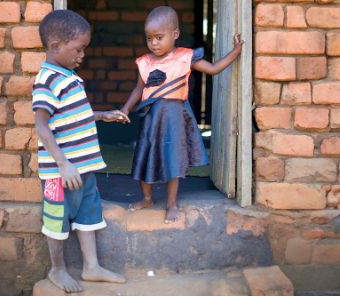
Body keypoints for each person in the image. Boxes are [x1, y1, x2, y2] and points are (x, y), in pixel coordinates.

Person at [32, 9, 128, 293]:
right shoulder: (47, 79)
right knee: (56, 220)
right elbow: (42, 126)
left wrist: (102, 115)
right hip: (59, 174)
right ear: (55, 47)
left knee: (88, 215)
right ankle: (57, 269)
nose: (82, 55)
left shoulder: (70, 77)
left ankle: (92, 267)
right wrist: (63, 164)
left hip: (83, 169)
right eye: (78, 49)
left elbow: (73, 117)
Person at [120, 6, 244, 224]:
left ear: (175, 34)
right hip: (151, 119)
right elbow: (139, 89)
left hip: (175, 118)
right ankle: (147, 198)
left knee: (173, 160)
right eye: (149, 38)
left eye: (159, 37)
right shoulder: (145, 62)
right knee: (144, 156)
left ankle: (172, 204)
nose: (154, 43)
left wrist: (235, 52)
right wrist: (125, 109)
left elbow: (214, 69)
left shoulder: (186, 58)